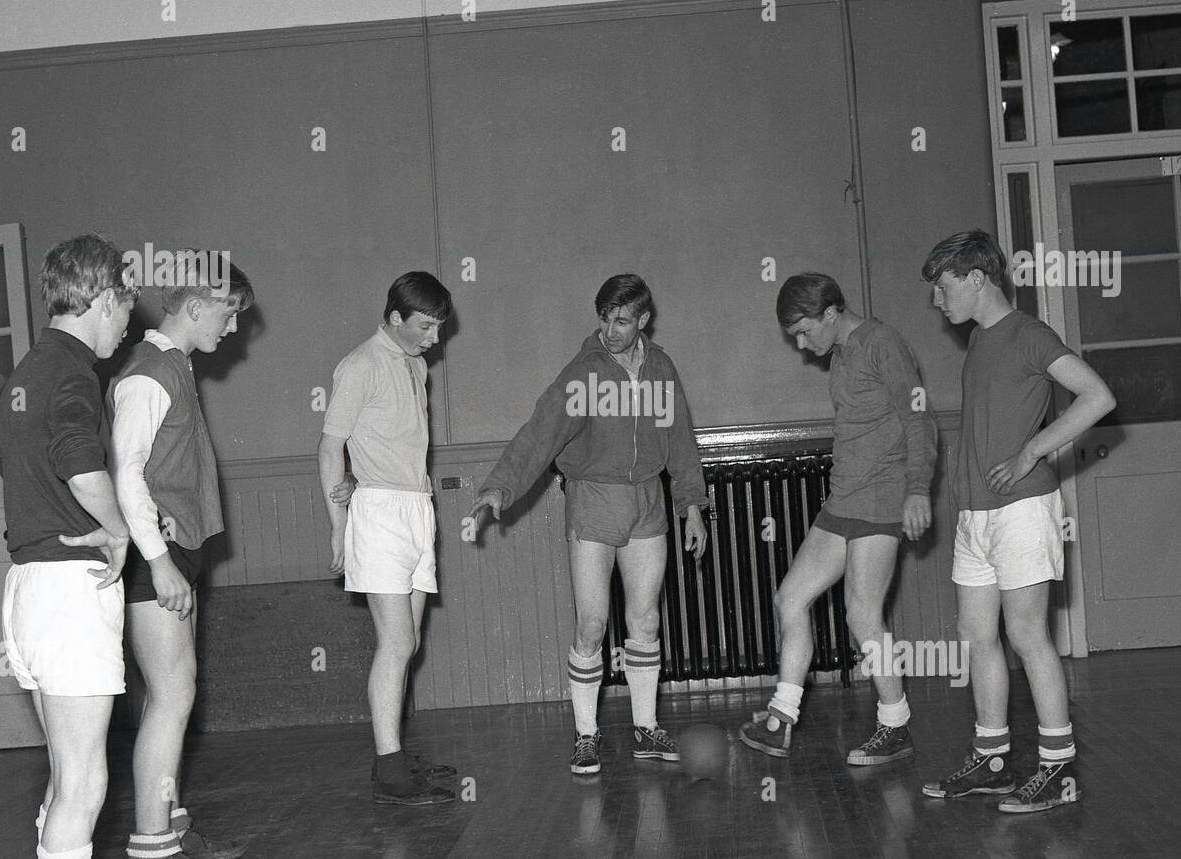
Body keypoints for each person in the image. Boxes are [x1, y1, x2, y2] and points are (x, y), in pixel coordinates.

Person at [0, 234, 162, 859]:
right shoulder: (71, 373)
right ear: (97, 297)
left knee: (68, 776)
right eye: (125, 296)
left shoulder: (24, 371)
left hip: (31, 584)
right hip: (67, 586)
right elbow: (80, 463)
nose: (129, 311)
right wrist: (119, 533)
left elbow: (8, 455)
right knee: (84, 780)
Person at [467, 274, 708, 776]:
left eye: (621, 321)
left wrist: (692, 506)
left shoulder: (662, 368)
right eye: (604, 319)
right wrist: (500, 487)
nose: (610, 330)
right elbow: (540, 432)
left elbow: (682, 440)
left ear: (643, 320)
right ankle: (585, 735)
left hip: (648, 502)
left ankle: (646, 729)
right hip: (593, 500)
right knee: (592, 624)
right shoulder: (584, 375)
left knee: (645, 622)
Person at [919, 230, 1115, 812]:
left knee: (1028, 636)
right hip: (977, 516)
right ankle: (993, 758)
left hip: (1024, 510)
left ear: (976, 278)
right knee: (977, 637)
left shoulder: (1029, 334)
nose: (937, 300)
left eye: (943, 287)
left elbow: (1097, 396)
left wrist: (1031, 452)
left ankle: (1057, 768)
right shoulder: (980, 340)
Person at [738, 273, 938, 764]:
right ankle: (781, 719)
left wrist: (916, 490)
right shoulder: (842, 355)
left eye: (805, 332)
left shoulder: (882, 344)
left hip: (882, 499)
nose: (803, 346)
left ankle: (894, 725)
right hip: (843, 501)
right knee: (790, 598)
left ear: (831, 313)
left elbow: (919, 417)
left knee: (861, 612)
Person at [109, 251, 254, 859]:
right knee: (170, 693)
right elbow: (125, 475)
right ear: (195, 306)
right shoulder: (148, 374)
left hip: (172, 553)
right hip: (152, 557)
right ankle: (152, 848)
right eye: (227, 314)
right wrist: (161, 562)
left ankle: (170, 822)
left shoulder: (175, 367)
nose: (233, 329)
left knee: (179, 690)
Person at [318, 272, 457, 806]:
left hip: (417, 507)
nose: (434, 339)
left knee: (409, 644)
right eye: (425, 326)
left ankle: (394, 756)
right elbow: (330, 450)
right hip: (375, 511)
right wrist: (339, 527)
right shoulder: (358, 366)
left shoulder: (415, 364)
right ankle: (389, 767)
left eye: (438, 327)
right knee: (396, 643)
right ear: (395, 318)